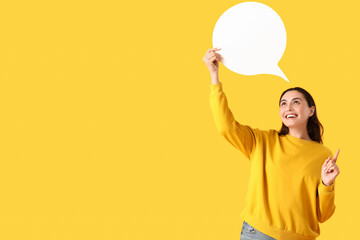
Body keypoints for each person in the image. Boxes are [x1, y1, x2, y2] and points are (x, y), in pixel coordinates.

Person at [202, 48, 340, 240]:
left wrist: (327, 184)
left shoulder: (323, 154)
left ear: (310, 110)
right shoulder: (263, 141)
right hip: (259, 234)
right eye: (283, 103)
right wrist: (214, 76)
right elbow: (226, 127)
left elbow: (323, 215)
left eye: (296, 102)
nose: (288, 108)